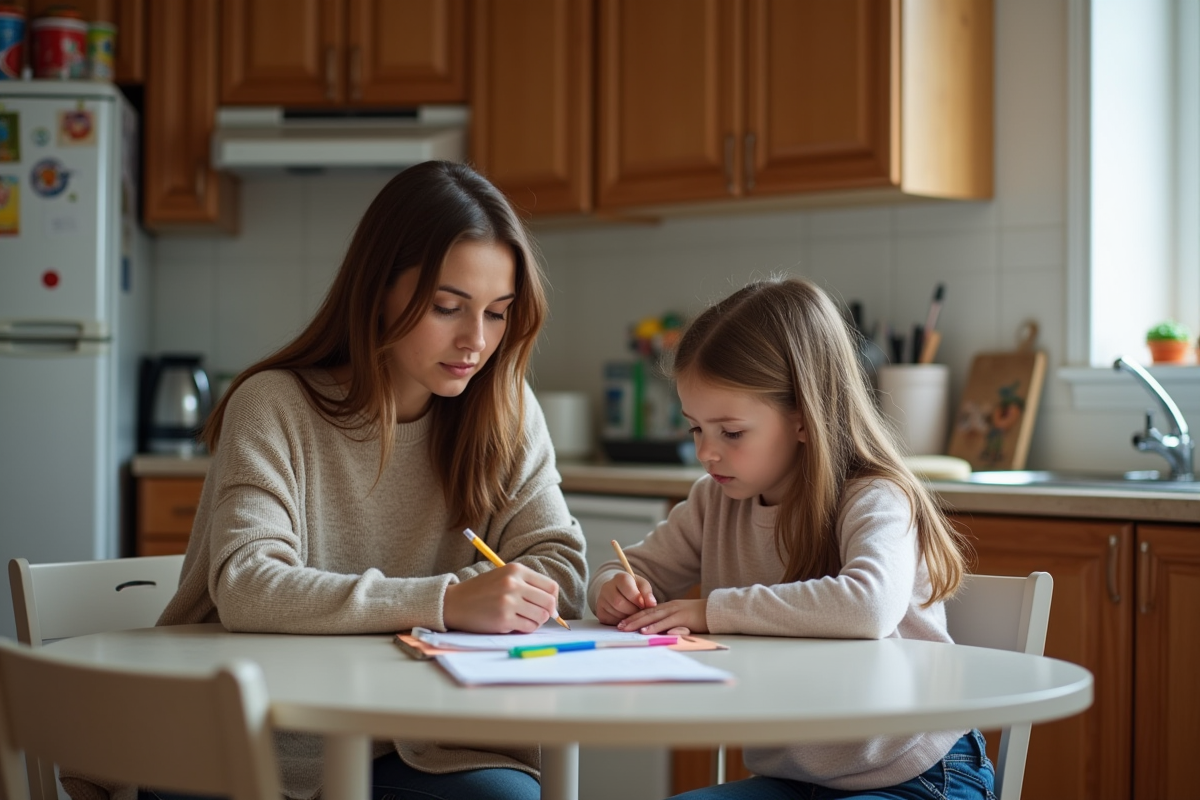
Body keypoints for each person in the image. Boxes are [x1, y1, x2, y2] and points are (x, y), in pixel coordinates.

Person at [63, 161, 588, 800]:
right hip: (253, 732)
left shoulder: (506, 410)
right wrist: (447, 601)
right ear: (378, 292)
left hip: (422, 739)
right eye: (447, 307)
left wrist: (515, 596)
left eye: (498, 313)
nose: (476, 341)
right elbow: (248, 585)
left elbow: (559, 564)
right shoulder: (274, 404)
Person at [589, 278, 996, 800]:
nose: (706, 453)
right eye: (695, 430)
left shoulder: (874, 496)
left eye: (730, 432)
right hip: (794, 780)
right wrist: (613, 587)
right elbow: (633, 568)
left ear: (804, 419)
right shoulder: (714, 501)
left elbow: (866, 606)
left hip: (916, 773)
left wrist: (708, 611)